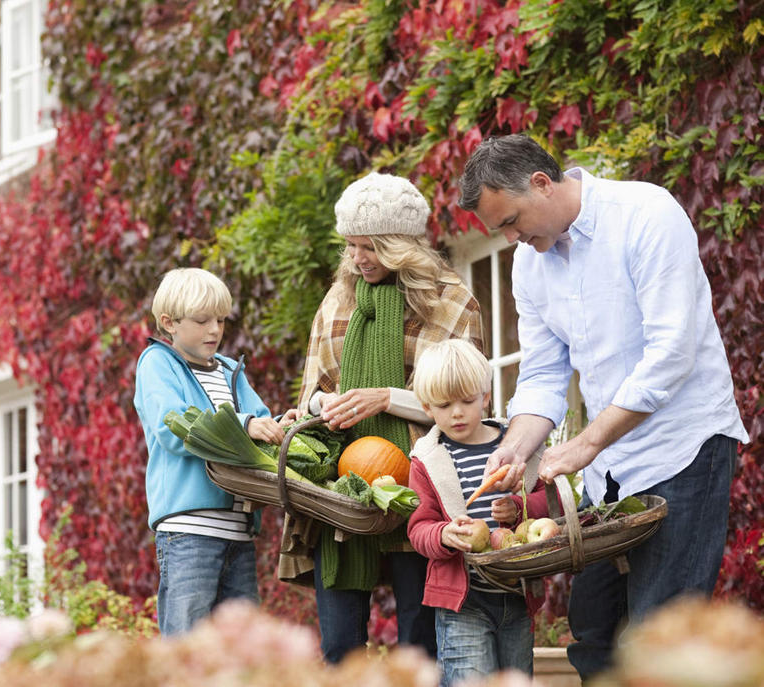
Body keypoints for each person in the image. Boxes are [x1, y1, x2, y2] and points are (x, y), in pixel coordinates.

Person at [457, 134, 749, 683]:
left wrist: (586, 442)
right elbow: (543, 372)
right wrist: (515, 450)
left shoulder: (645, 214)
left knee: (661, 641)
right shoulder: (530, 264)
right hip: (611, 474)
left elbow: (671, 354)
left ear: (542, 183)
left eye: (512, 221)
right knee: (593, 634)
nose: (513, 238)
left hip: (684, 451)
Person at [281, 171, 485, 663]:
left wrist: (386, 398)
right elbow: (313, 391)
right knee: (339, 645)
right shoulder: (337, 299)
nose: (356, 259)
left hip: (420, 487)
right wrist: (319, 407)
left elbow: (466, 403)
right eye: (350, 246)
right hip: (343, 489)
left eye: (368, 247)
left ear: (401, 246)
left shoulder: (450, 299)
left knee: (420, 639)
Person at [133, 267, 297, 635]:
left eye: (221, 320)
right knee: (188, 648)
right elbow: (172, 426)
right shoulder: (157, 364)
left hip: (239, 533)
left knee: (241, 651)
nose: (214, 330)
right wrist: (244, 426)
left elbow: (260, 420)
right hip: (189, 531)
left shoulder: (227, 370)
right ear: (168, 322)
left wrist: (282, 424)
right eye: (203, 320)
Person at [407, 338, 552, 687]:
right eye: (444, 405)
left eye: (467, 401)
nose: (456, 412)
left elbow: (553, 505)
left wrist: (519, 508)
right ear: (427, 408)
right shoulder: (428, 458)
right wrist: (443, 534)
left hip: (516, 597)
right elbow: (417, 527)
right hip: (463, 603)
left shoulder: (518, 447)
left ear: (485, 397)